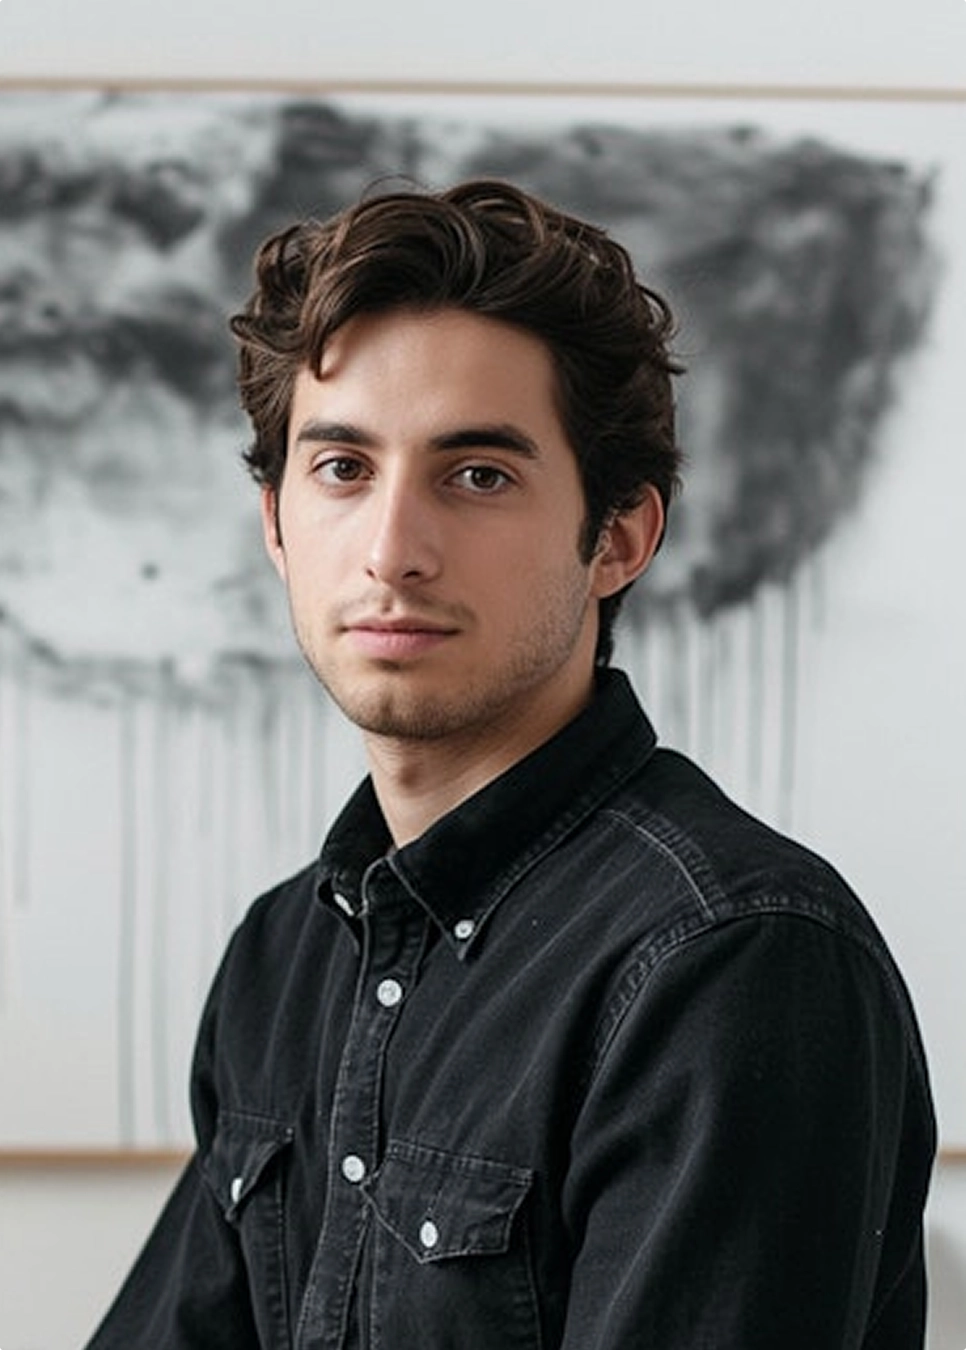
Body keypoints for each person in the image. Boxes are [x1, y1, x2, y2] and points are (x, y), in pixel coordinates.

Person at [86, 179, 935, 1349]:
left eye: (476, 474)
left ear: (619, 537)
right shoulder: (282, 957)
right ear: (277, 522)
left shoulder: (734, 959)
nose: (393, 552)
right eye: (342, 469)